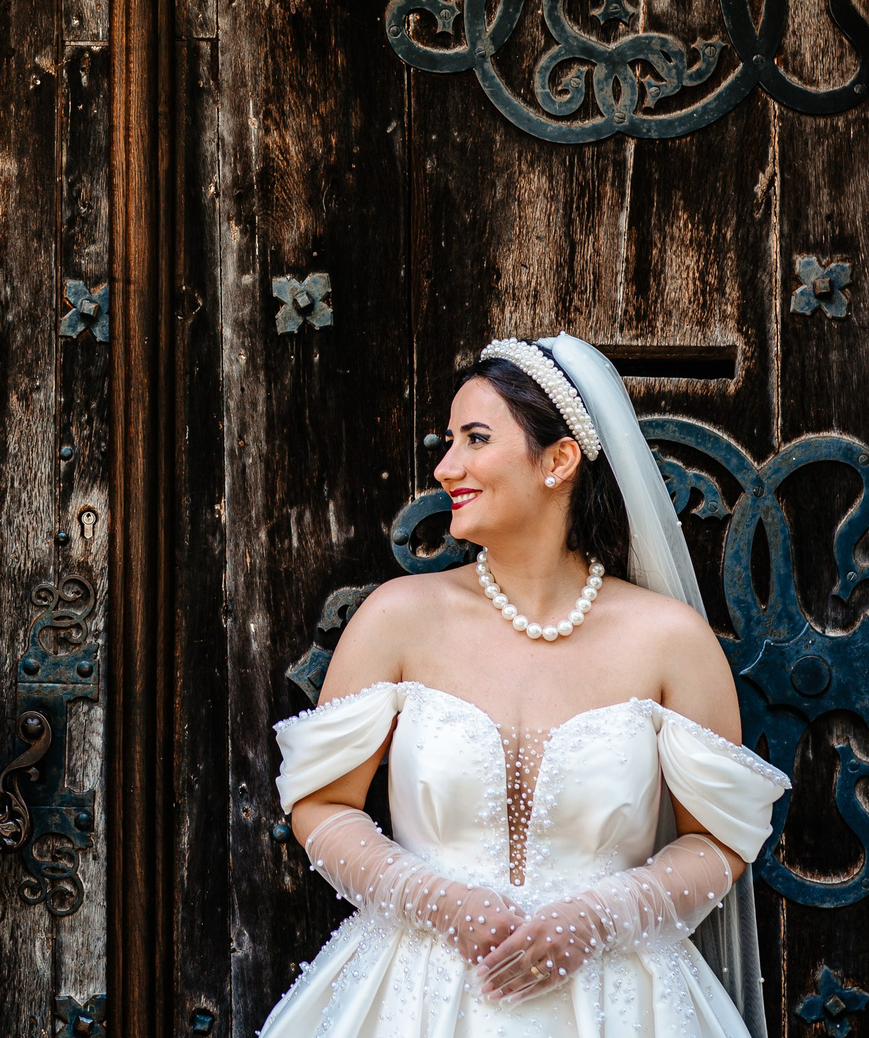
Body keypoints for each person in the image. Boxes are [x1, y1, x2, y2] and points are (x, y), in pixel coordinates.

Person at [262, 335, 788, 1038]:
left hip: (618, 1000)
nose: (448, 467)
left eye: (475, 439)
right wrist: (439, 901)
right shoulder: (397, 618)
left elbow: (718, 839)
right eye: (449, 442)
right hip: (416, 996)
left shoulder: (670, 640)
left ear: (560, 460)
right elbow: (322, 801)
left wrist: (599, 918)